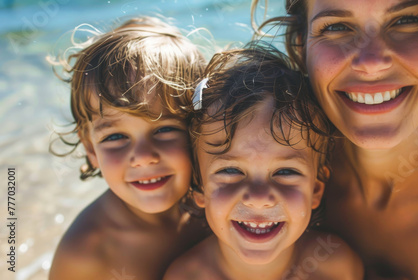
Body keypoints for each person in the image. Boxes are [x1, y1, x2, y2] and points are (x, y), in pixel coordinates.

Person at [251, 0, 418, 279]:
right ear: (301, 49)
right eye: (336, 27)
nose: (371, 62)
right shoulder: (249, 171)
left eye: (406, 21)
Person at [164, 42, 363, 280]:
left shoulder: (335, 266)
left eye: (286, 172)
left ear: (316, 189)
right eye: (230, 170)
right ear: (199, 189)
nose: (258, 199)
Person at [48, 16, 210, 280]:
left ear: (200, 129)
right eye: (115, 137)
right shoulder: (86, 253)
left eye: (164, 129)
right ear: (90, 146)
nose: (143, 158)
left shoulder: (217, 205)